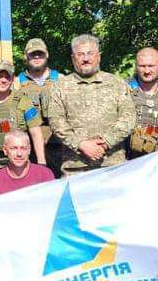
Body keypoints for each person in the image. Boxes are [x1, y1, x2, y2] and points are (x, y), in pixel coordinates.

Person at [48, 34, 136, 175]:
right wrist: (80, 144)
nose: (86, 59)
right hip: (75, 168)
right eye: (80, 54)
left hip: (112, 165)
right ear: (73, 58)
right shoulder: (60, 87)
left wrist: (106, 142)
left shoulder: (117, 83)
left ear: (98, 56)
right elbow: (56, 122)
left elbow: (129, 117)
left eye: (90, 53)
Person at [0, 60, 46, 185]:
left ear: (13, 78)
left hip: (20, 164)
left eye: (7, 76)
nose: (3, 80)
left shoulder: (24, 101)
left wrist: (42, 164)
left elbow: (36, 134)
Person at [15, 38, 63, 176]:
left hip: (59, 146)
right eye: (33, 54)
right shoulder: (17, 83)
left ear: (47, 55)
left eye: (40, 54)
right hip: (28, 149)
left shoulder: (61, 80)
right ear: (26, 57)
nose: (37, 57)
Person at [0, 130, 55, 198]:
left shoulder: (44, 175)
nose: (19, 154)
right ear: (5, 150)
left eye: (23, 148)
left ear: (29, 150)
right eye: (14, 148)